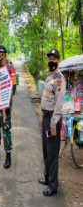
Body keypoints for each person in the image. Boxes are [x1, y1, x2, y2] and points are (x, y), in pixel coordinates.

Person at [39, 49, 66, 196]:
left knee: (53, 153)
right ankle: (47, 177)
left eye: (54, 59)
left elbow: (59, 103)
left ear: (58, 61)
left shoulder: (59, 79)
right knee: (45, 150)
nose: (51, 61)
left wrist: (53, 123)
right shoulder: (49, 77)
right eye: (50, 58)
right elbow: (46, 99)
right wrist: (43, 118)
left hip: (53, 120)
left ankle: (53, 185)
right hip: (46, 117)